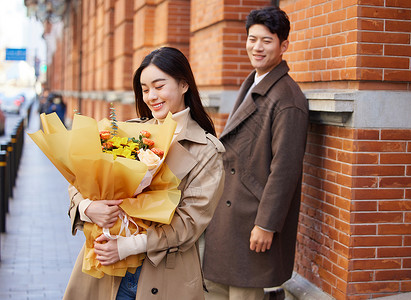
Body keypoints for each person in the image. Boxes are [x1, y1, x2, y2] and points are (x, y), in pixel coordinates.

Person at [63, 47, 225, 300]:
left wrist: (128, 246)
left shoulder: (207, 151)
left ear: (184, 85)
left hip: (164, 277)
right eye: (145, 89)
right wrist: (87, 207)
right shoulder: (129, 133)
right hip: (106, 272)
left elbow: (189, 223)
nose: (151, 96)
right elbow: (80, 180)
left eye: (159, 86)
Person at [203, 6, 309, 299]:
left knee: (243, 292)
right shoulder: (253, 82)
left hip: (252, 222)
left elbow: (285, 169)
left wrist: (266, 224)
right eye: (252, 39)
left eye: (267, 40)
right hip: (229, 217)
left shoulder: (288, 99)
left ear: (283, 45)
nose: (257, 47)